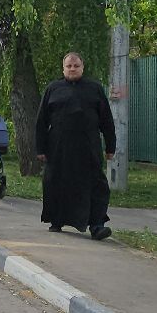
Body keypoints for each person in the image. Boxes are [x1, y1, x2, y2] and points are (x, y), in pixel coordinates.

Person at [35, 51, 117, 240]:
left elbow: (106, 119)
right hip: (58, 147)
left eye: (76, 66)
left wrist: (111, 146)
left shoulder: (94, 88)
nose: (72, 69)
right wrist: (40, 148)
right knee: (56, 182)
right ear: (63, 68)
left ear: (82, 67)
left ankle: (97, 225)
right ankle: (56, 220)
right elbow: (41, 121)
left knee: (96, 185)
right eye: (69, 66)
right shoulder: (53, 89)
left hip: (88, 146)